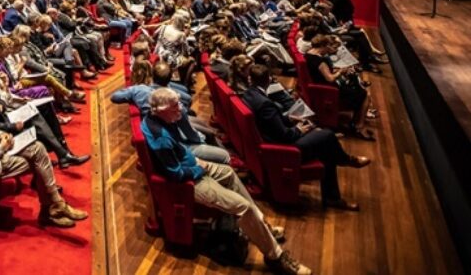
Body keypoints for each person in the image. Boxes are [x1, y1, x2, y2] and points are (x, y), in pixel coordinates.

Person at [143, 88, 311, 275]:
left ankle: (263, 225)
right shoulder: (160, 138)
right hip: (189, 182)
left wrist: (195, 157)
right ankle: (275, 257)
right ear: (162, 109)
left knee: (229, 173)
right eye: (176, 106)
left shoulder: (163, 118)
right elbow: (176, 174)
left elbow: (183, 146)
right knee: (243, 207)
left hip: (193, 164)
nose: (181, 108)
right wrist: (200, 168)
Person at [0, 80, 88, 228]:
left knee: (38, 147)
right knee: (38, 159)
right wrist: (1, 147)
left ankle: (53, 207)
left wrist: (2, 135)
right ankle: (54, 207)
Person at [242, 64, 370, 210]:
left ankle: (333, 197)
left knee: (325, 145)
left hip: (270, 140)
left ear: (250, 79)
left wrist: (290, 119)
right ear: (268, 80)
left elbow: (269, 123)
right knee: (327, 136)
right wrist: (298, 129)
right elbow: (284, 136)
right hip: (281, 149)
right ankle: (345, 161)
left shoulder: (248, 95)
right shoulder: (264, 104)